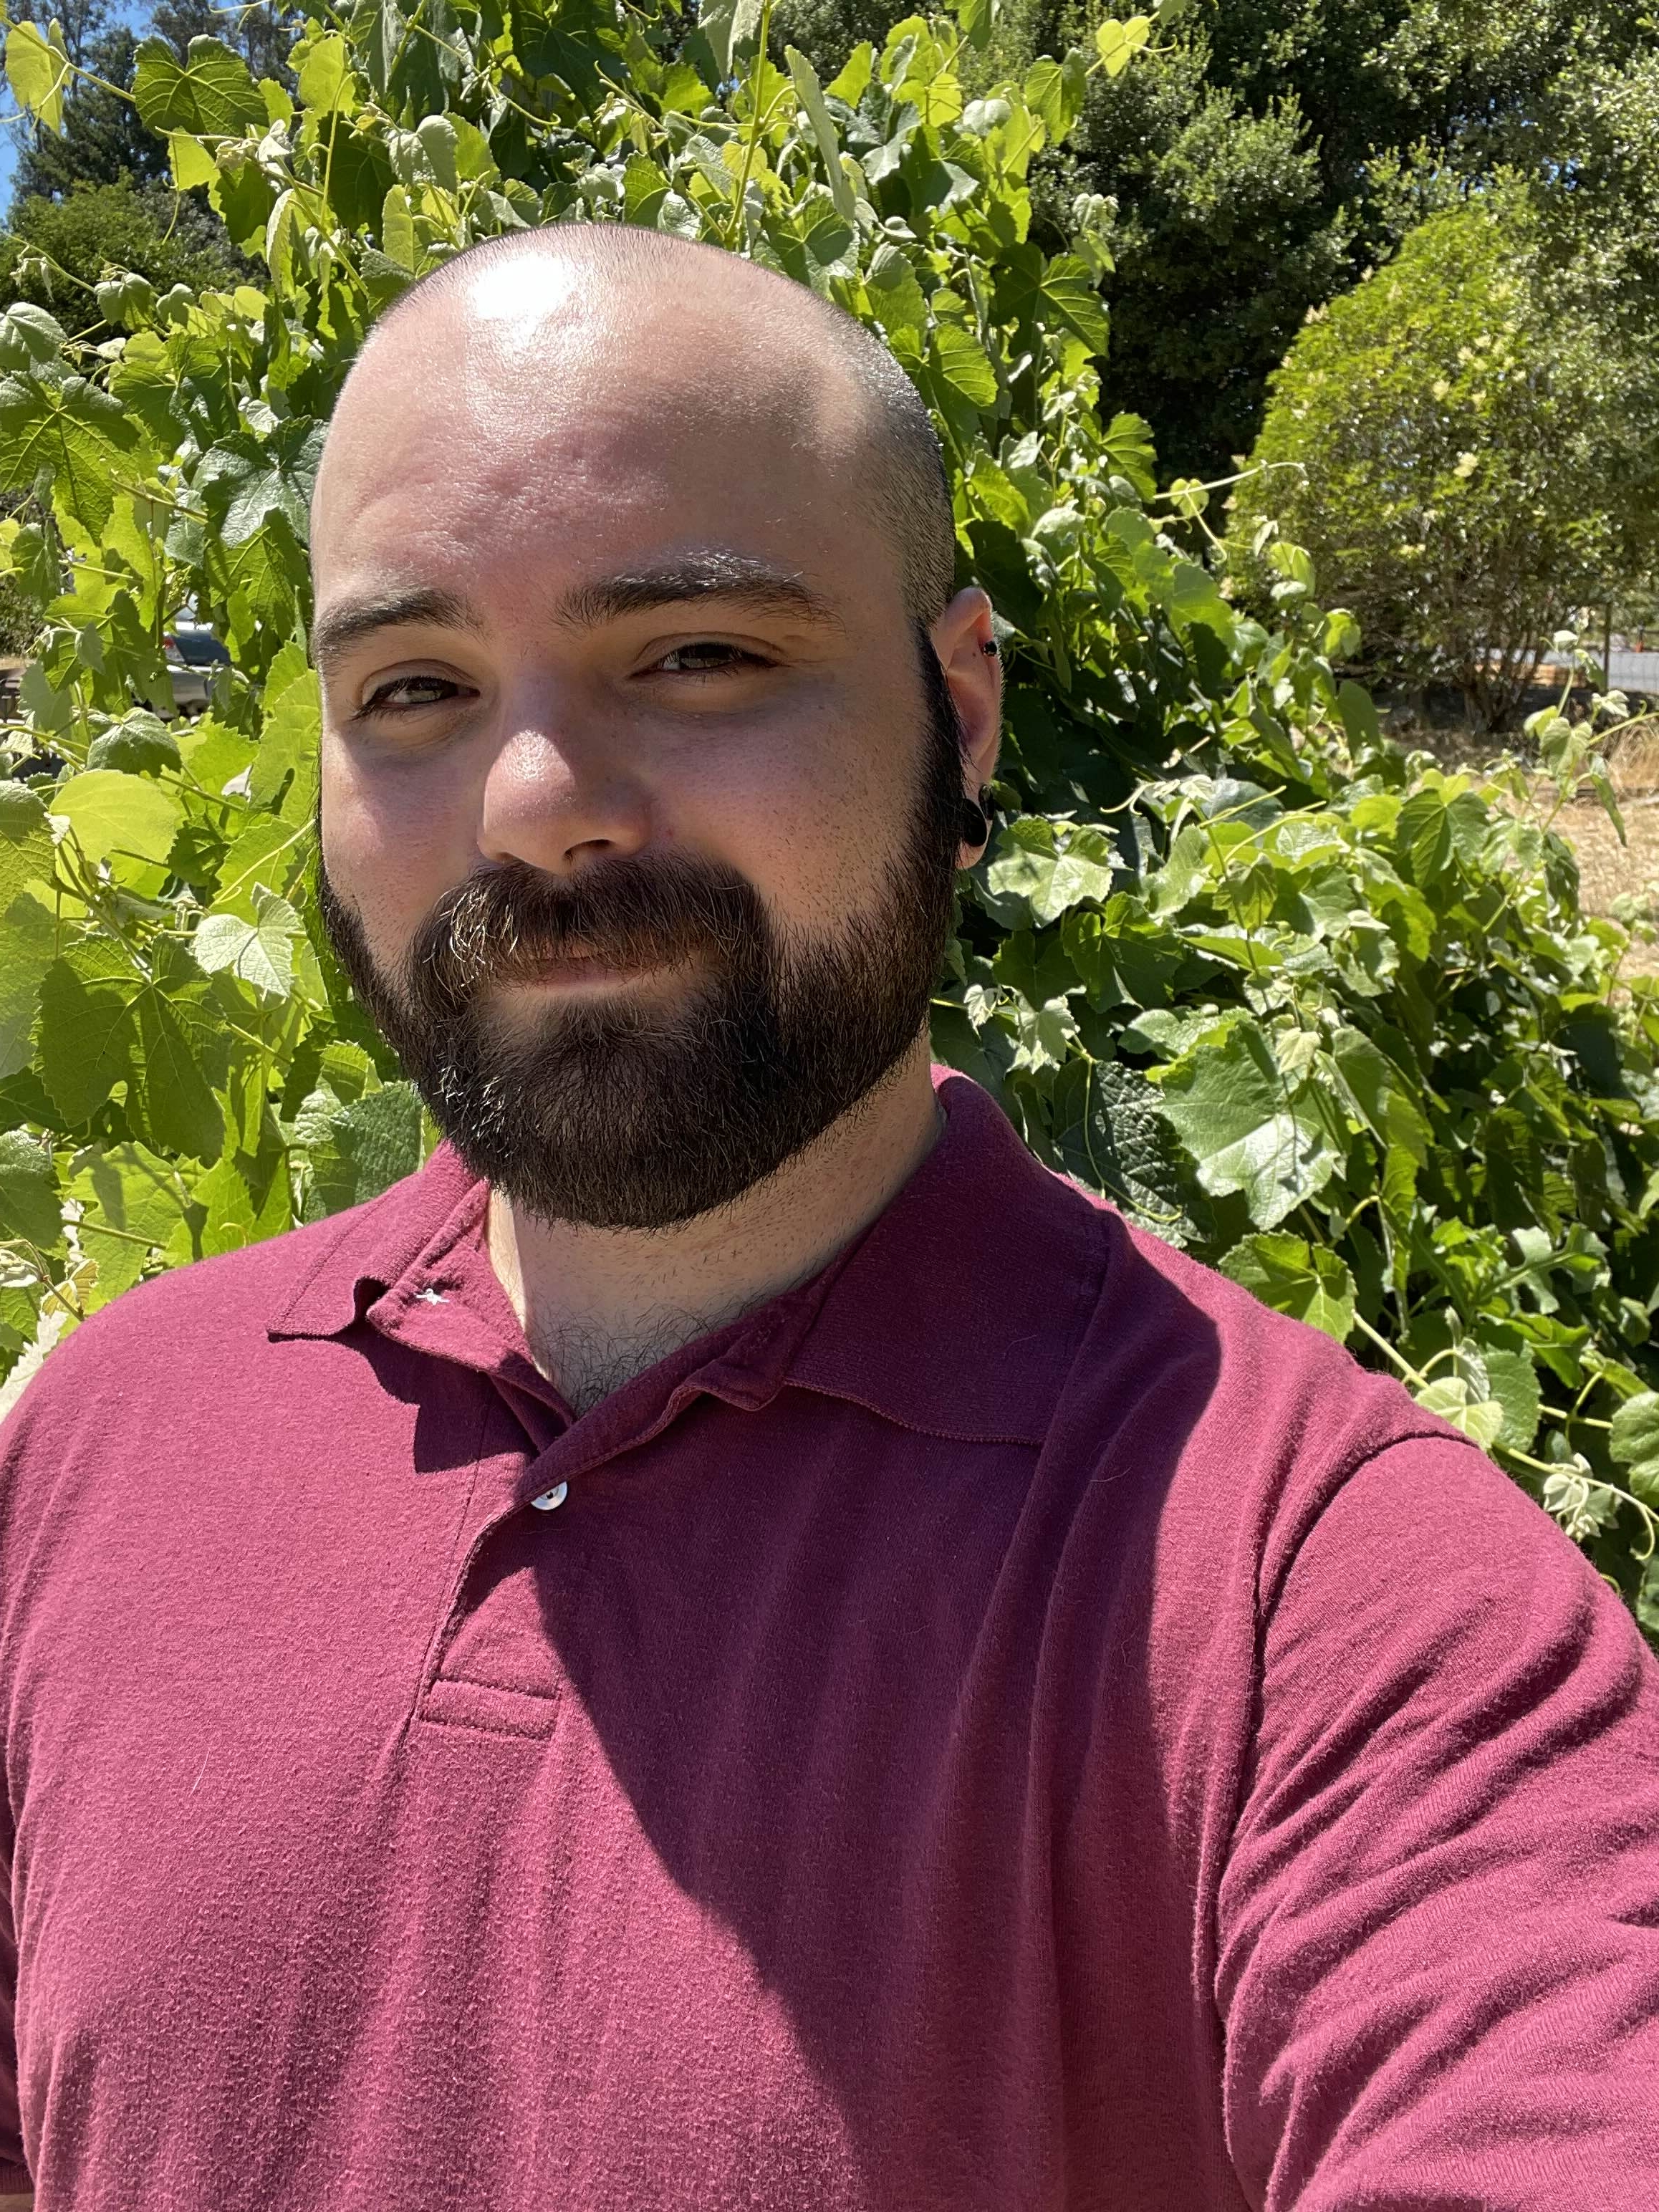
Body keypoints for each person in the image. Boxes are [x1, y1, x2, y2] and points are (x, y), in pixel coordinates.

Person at [0, 225, 1655, 2212]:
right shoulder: (95, 1444)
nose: (535, 799)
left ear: (960, 713)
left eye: (695, 654)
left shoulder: (1326, 1594)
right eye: (415, 684)